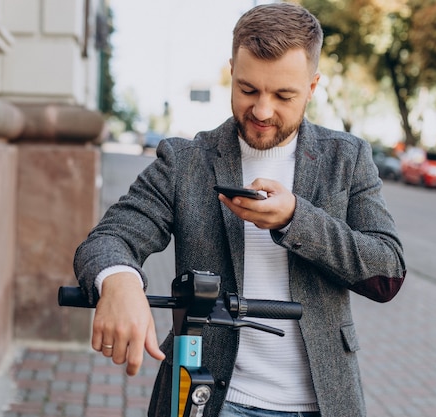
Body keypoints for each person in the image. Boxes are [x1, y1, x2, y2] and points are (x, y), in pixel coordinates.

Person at [73, 3, 406, 416]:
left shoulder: (348, 158)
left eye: (284, 95)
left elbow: (387, 271)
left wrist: (295, 219)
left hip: (325, 403)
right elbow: (110, 238)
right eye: (248, 90)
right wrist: (119, 281)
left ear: (313, 86)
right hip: (210, 400)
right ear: (232, 71)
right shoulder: (185, 161)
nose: (263, 111)